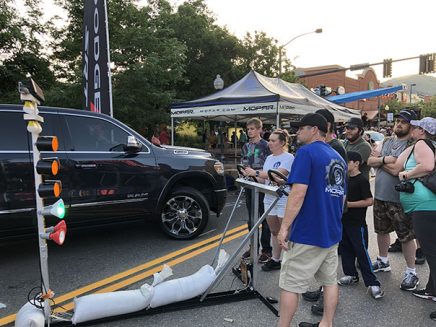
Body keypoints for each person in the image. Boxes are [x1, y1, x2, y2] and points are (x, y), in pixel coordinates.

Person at [277, 113, 347, 327]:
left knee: (290, 284)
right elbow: (342, 197)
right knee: (329, 281)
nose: (297, 132)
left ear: (314, 130)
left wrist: (284, 228)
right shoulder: (339, 157)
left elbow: (298, 193)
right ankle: (327, 323)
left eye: (301, 128)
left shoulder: (306, 153)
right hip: (331, 231)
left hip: (308, 231)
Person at [388, 117, 436, 321]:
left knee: (432, 253)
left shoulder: (422, 144)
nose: (412, 129)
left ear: (422, 131)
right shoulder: (421, 144)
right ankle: (431, 289)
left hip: (425, 206)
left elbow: (427, 165)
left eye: (415, 127)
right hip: (424, 205)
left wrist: (407, 175)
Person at [367, 109, 420, 291]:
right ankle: (383, 260)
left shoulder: (412, 146)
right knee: (381, 231)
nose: (398, 124)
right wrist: (385, 160)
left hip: (400, 199)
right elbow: (369, 161)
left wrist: (380, 162)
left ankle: (411, 272)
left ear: (411, 126)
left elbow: (398, 171)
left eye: (403, 122)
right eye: (397, 120)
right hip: (380, 195)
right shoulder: (387, 141)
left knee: (406, 236)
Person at [302, 109, 347, 306]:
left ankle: (325, 296)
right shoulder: (324, 147)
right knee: (323, 255)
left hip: (332, 207)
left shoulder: (335, 147)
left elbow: (338, 183)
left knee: (328, 256)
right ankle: (321, 289)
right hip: (324, 207)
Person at [243, 129, 294, 271]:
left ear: (282, 143)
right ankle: (275, 259)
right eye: (269, 140)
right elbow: (264, 179)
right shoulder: (269, 158)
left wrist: (257, 172)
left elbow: (277, 175)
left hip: (283, 198)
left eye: (273, 140)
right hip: (269, 197)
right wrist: (250, 176)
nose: (270, 143)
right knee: (274, 230)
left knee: (286, 233)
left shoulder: (288, 157)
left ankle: (291, 261)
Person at [338, 151, 384, 299]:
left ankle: (373, 283)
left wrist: (348, 204)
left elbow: (369, 201)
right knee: (345, 249)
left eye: (347, 161)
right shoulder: (345, 179)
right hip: (343, 222)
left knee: (361, 252)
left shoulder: (362, 180)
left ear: (356, 163)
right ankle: (351, 275)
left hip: (357, 224)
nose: (345, 164)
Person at [241, 118, 272, 263]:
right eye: (248, 129)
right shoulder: (246, 146)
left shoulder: (266, 145)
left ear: (260, 129)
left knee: (264, 218)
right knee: (251, 219)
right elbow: (244, 162)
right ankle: (253, 247)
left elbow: (269, 166)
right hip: (249, 185)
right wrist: (242, 172)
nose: (250, 131)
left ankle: (266, 250)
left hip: (262, 185)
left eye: (253, 129)